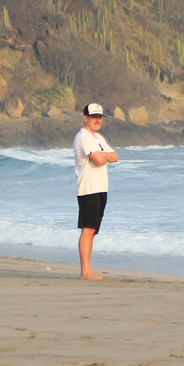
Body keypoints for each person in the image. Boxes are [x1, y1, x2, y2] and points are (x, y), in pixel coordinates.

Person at [73, 103, 118, 280]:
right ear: (85, 118)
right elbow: (99, 160)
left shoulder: (97, 137)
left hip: (100, 188)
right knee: (87, 229)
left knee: (92, 230)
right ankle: (85, 271)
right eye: (94, 117)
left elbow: (114, 157)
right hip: (88, 188)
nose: (97, 120)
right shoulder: (83, 137)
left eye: (99, 117)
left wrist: (102, 155)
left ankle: (87, 269)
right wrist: (103, 155)